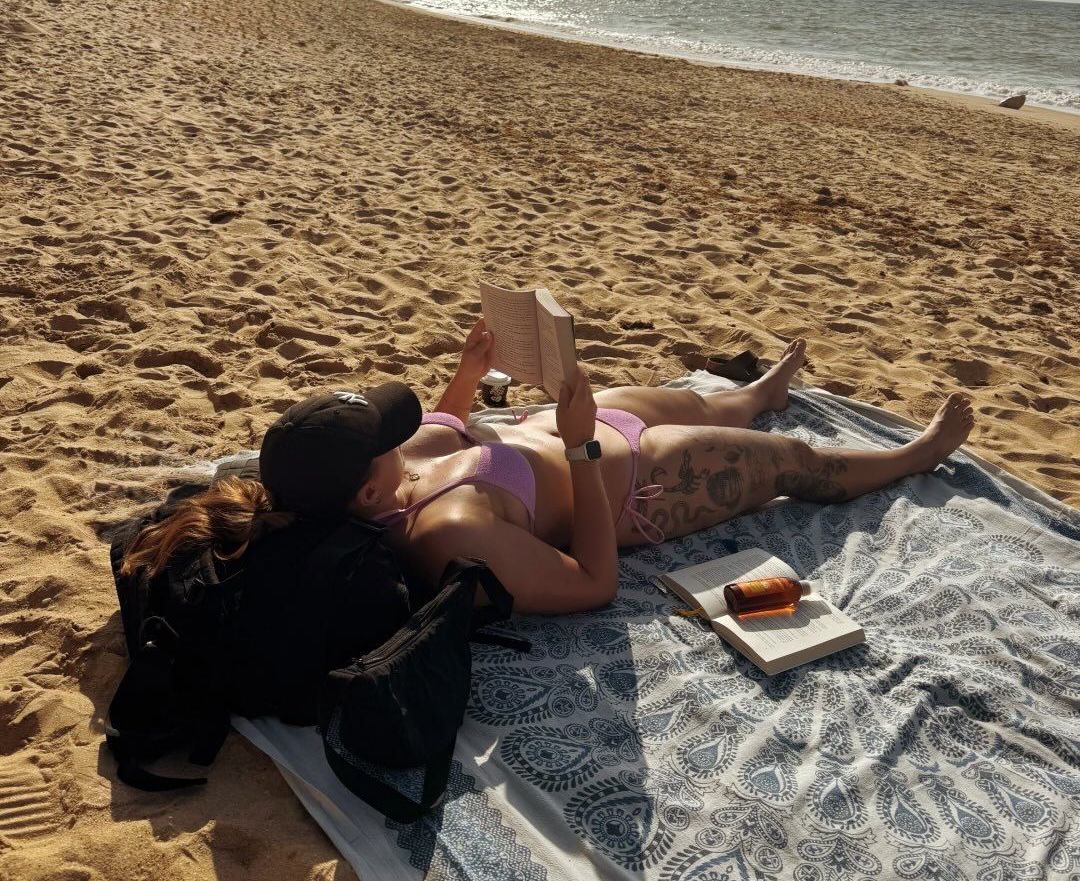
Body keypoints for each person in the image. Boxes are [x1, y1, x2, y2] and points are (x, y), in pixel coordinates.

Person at [122, 319, 974, 616]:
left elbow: (444, 424)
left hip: (566, 433)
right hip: (635, 486)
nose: (398, 434)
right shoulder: (451, 534)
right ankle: (917, 454)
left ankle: (759, 394)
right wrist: (576, 447)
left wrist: (469, 369)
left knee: (703, 402)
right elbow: (594, 583)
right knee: (793, 464)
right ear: (369, 487)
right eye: (382, 437)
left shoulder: (385, 475)